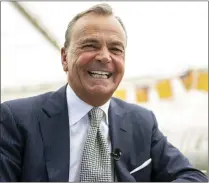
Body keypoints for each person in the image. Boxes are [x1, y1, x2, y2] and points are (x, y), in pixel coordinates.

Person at [0, 3, 208, 182]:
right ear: (65, 58)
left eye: (116, 49)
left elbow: (193, 177)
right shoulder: (16, 119)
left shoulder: (142, 122)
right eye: (90, 45)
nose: (105, 57)